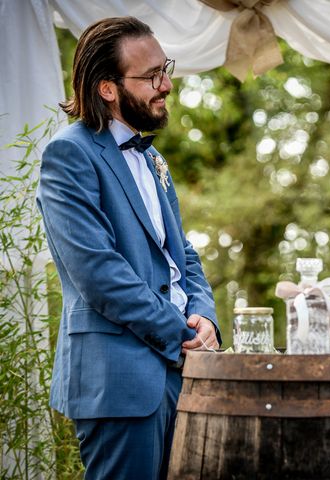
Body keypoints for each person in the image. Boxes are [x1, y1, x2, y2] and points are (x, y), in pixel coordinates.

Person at [36, 16, 221, 479]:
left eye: (166, 68)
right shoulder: (69, 154)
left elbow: (182, 255)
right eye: (151, 76)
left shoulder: (153, 157)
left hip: (184, 374)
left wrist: (205, 316)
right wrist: (183, 336)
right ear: (107, 89)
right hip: (119, 381)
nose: (167, 85)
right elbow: (100, 276)